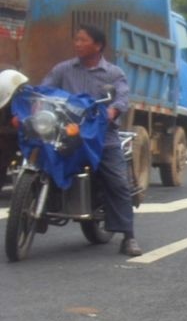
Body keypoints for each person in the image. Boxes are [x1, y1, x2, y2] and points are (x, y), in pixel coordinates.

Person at [42, 25, 141, 256]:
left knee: (117, 183)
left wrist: (112, 111)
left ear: (98, 45)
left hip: (102, 137)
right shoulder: (63, 69)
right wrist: (35, 105)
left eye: (83, 40)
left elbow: (122, 98)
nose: (77, 44)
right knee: (41, 160)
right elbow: (44, 90)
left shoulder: (113, 73)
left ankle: (128, 237)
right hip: (68, 134)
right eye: (76, 39)